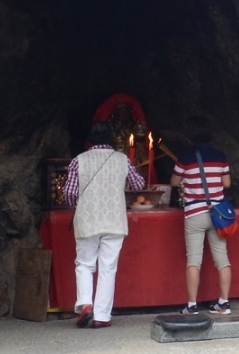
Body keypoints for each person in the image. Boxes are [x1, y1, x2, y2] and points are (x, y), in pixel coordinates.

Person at [62, 122, 145, 329]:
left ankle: (85, 305)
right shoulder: (122, 159)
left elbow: (69, 193)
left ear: (89, 140)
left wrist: (78, 206)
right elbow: (138, 184)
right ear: (111, 138)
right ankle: (102, 316)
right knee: (108, 267)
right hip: (114, 220)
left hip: (87, 218)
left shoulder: (78, 161)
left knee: (84, 264)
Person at [170, 120, 232, 315]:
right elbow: (227, 183)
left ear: (190, 137)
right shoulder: (220, 156)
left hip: (194, 213)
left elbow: (174, 182)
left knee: (194, 260)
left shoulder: (186, 157)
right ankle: (224, 303)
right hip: (218, 214)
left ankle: (192, 305)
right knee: (222, 258)